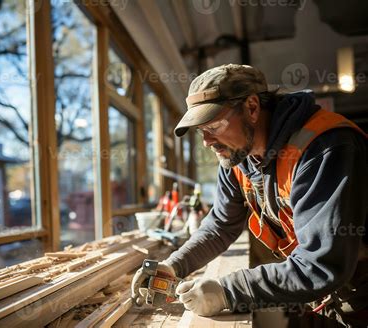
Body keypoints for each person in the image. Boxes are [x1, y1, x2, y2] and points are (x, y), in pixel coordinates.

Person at [131, 64, 367, 327]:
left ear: (252, 108)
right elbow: (220, 225)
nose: (207, 141)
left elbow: (321, 264)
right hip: (321, 298)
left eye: (214, 125)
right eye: (201, 131)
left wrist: (228, 292)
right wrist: (174, 267)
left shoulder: (324, 148)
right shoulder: (237, 157)